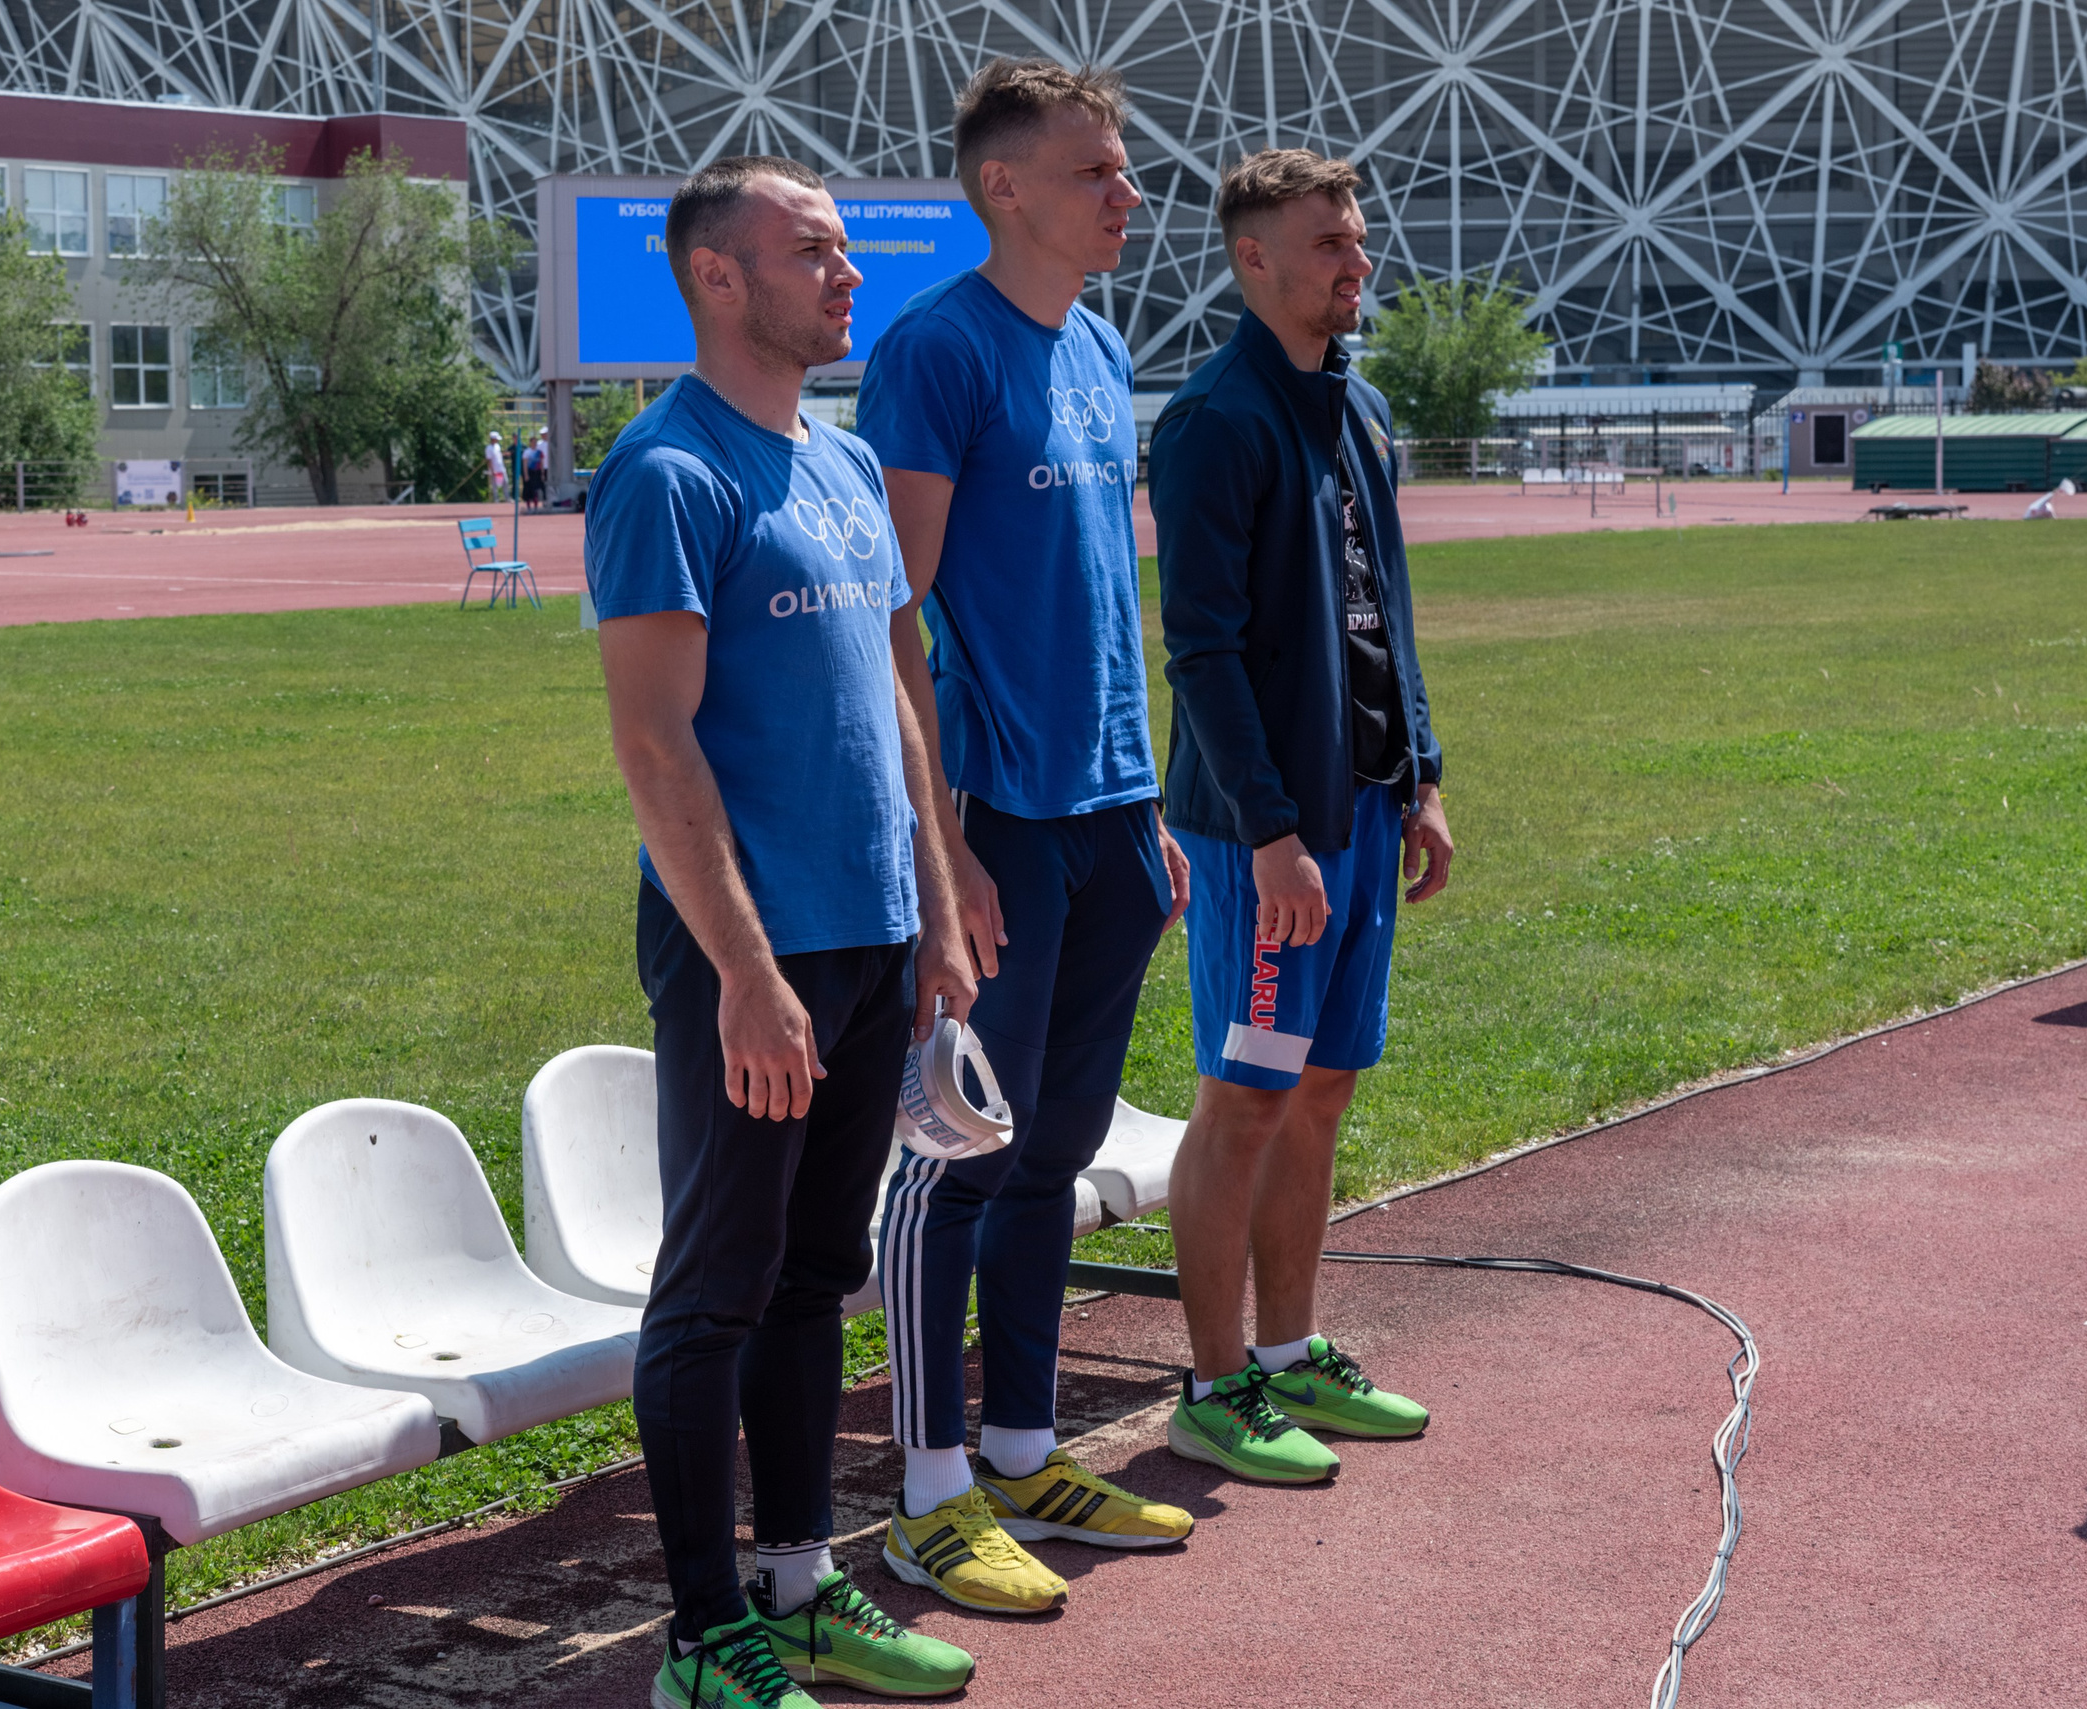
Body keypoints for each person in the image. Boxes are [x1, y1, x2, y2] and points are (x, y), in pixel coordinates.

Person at [585, 155, 979, 1709]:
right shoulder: (667, 474)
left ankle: (803, 1584)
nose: (848, 275)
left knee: (819, 1273)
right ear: (717, 278)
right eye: (812, 251)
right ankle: (703, 1640)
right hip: (749, 952)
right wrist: (747, 974)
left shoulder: (851, 466)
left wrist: (938, 905)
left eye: (846, 252)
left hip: (873, 938)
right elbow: (653, 745)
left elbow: (895, 700)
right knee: (719, 1284)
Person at [855, 57, 1195, 1616]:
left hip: (1110, 812)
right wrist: (949, 844)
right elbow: (896, 617)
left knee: (1057, 1151)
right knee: (966, 1154)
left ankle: (1021, 1442)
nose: (1129, 194)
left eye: (1124, 171)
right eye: (1097, 173)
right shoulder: (939, 353)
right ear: (1004, 188)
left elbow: (1106, 603)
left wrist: (1149, 803)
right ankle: (929, 1496)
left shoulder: (1101, 342)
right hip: (998, 817)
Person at [1148, 149, 1453, 1485]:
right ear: (1252, 258)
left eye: (1358, 239)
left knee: (1322, 1091)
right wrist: (1271, 834)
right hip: (1267, 835)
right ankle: (1212, 1382)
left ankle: (1287, 1353)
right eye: (1327, 243)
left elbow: (1385, 607)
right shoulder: (1217, 420)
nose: (1355, 263)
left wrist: (1424, 773)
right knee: (1247, 1099)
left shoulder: (1360, 410)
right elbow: (1203, 651)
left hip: (1364, 814)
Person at [522, 429, 549, 507]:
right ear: (530, 443)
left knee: (538, 489)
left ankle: (537, 504)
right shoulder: (527, 452)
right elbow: (525, 463)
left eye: (536, 442)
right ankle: (528, 504)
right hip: (530, 472)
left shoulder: (539, 452)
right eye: (533, 442)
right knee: (529, 489)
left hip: (537, 472)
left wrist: (542, 473)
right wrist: (526, 474)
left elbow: (541, 463)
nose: (535, 444)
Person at [485, 429, 509, 499]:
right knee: (494, 485)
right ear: (493, 439)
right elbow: (489, 460)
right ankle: (496, 499)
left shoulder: (497, 446)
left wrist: (504, 454)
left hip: (501, 468)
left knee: (505, 482)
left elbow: (498, 455)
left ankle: (507, 498)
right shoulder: (488, 448)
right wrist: (492, 470)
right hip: (494, 469)